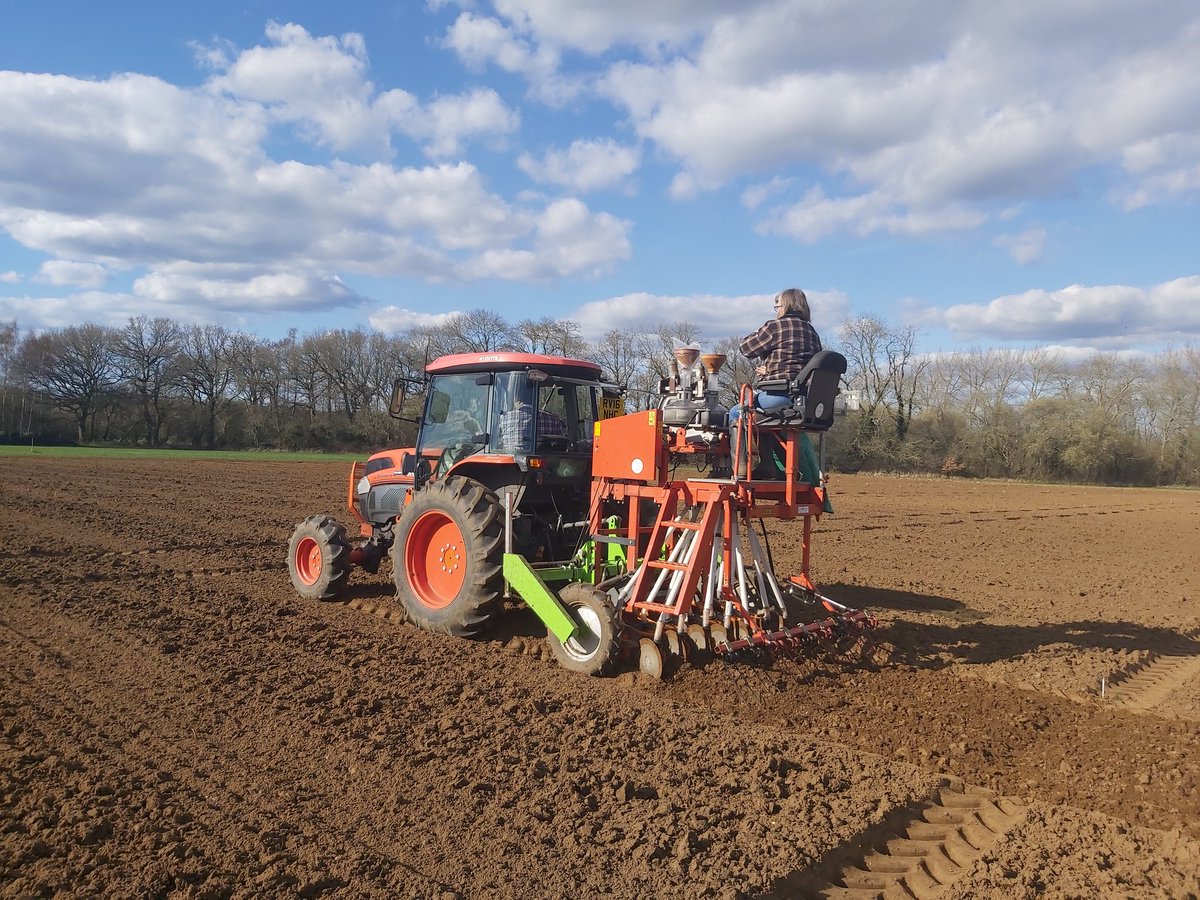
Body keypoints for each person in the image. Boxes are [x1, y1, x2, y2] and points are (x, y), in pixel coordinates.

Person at [721, 288, 823, 478]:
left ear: (785, 305)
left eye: (777, 305)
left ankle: (740, 471)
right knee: (762, 416)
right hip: (804, 401)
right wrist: (770, 370)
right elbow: (800, 366)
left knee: (737, 412)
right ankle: (769, 466)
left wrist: (762, 330)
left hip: (780, 397)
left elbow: (746, 348)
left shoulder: (776, 326)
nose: (776, 309)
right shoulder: (812, 332)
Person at [499, 395, 567, 452]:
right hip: (544, 462)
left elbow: (497, 442)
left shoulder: (505, 418)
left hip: (510, 461)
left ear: (518, 400)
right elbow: (565, 442)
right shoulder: (552, 419)